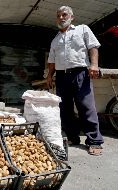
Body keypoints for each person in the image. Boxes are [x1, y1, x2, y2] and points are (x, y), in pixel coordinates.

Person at [46, 6, 104, 156]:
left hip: (80, 73)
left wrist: (94, 65)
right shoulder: (55, 39)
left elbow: (93, 47)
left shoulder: (82, 29)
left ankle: (94, 141)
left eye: (64, 15)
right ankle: (72, 137)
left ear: (72, 17)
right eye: (58, 15)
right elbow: (52, 61)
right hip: (61, 76)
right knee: (64, 108)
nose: (61, 18)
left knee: (86, 106)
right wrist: (49, 76)